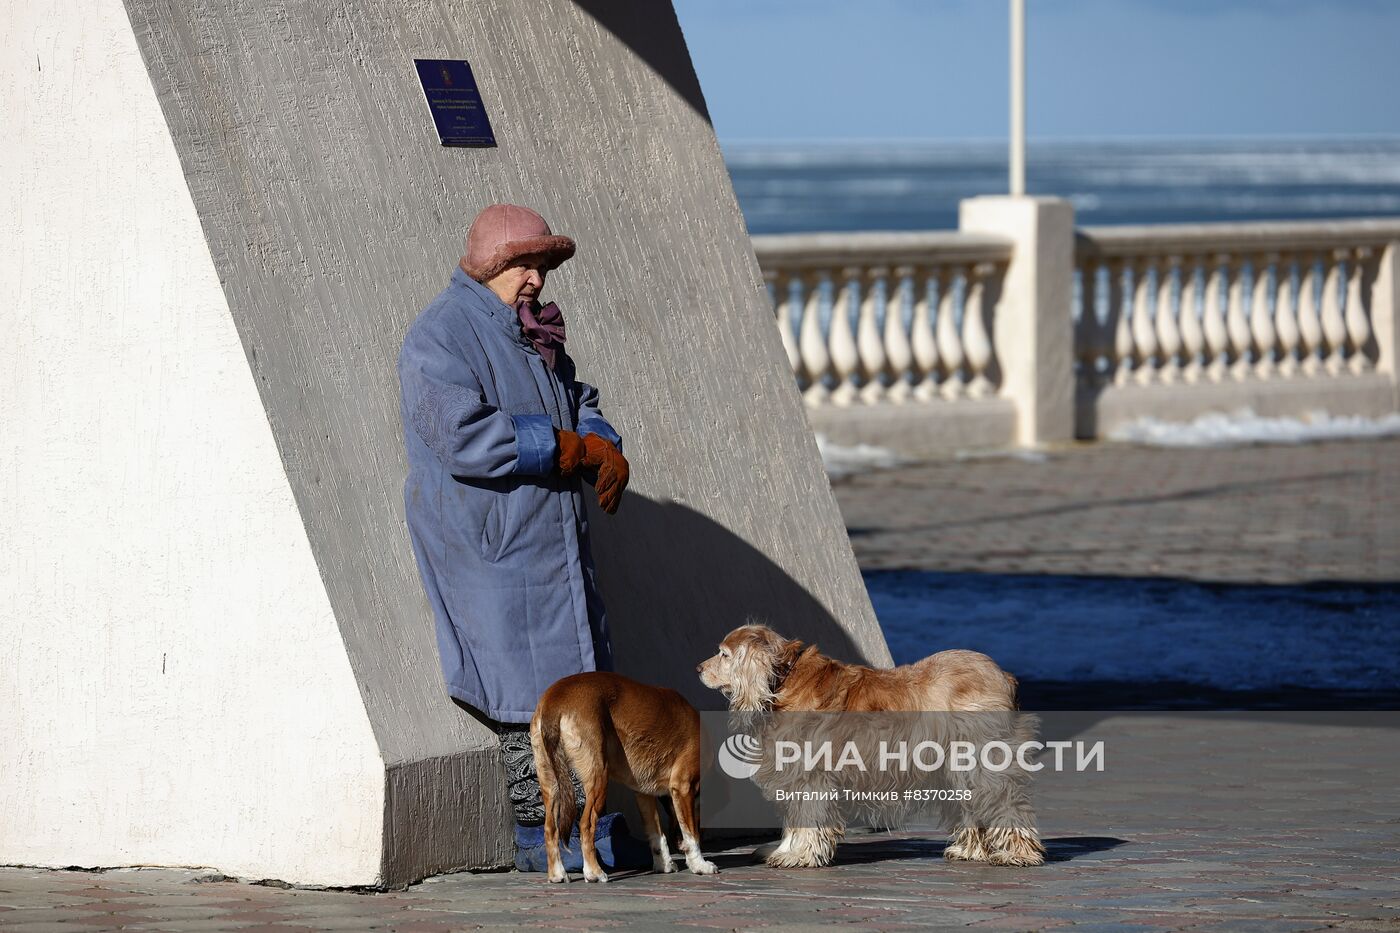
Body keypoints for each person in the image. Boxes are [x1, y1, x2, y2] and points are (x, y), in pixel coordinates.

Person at [398, 203, 647, 871]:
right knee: (526, 703)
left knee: (578, 693)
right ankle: (544, 837)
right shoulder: (440, 337)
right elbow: (465, 437)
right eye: (524, 264)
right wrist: (558, 444)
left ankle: (590, 826)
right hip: (494, 547)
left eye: (543, 265)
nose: (536, 278)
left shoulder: (530, 334)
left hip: (552, 543)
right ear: (489, 264)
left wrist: (600, 442)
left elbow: (575, 395)